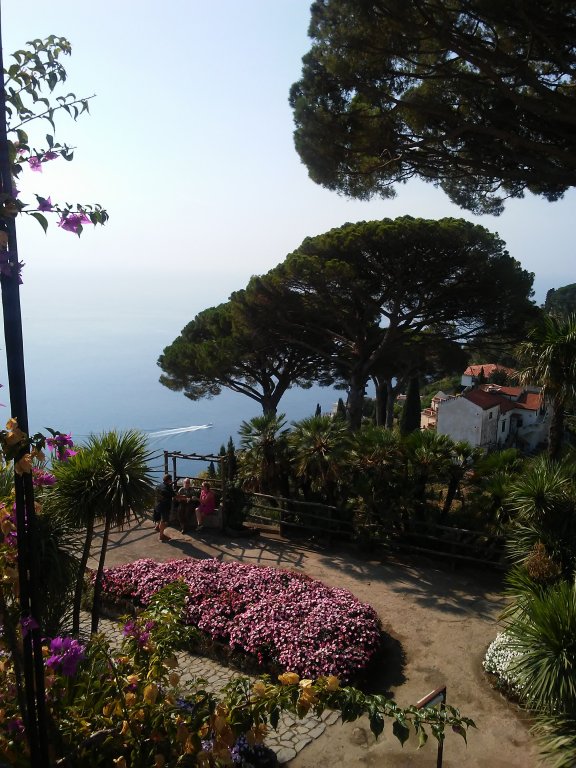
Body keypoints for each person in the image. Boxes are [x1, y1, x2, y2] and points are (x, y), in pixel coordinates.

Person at [153, 473, 175, 542]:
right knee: (163, 521)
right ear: (168, 480)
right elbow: (175, 496)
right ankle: (161, 536)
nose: (171, 480)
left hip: (157, 504)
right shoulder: (168, 488)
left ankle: (157, 527)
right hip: (164, 506)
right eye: (170, 479)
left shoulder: (159, 485)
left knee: (159, 517)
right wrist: (185, 497)